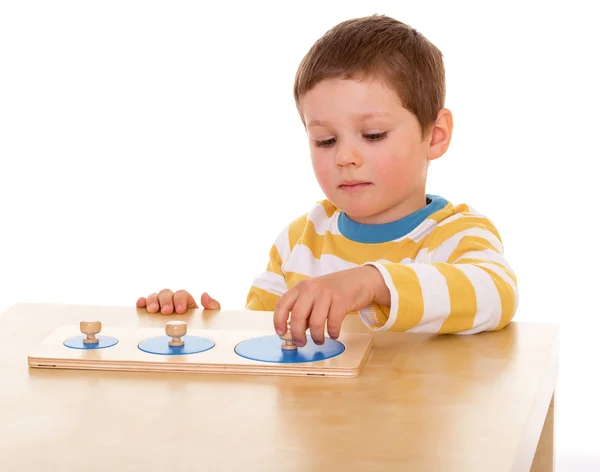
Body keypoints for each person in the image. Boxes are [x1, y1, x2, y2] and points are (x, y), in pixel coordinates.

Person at [136, 14, 518, 347]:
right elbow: (262, 340)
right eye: (325, 140)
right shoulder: (298, 243)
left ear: (435, 135)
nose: (345, 157)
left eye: (373, 135)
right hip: (316, 429)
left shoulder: (457, 236)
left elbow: (496, 295)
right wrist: (207, 326)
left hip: (415, 429)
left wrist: (371, 283)